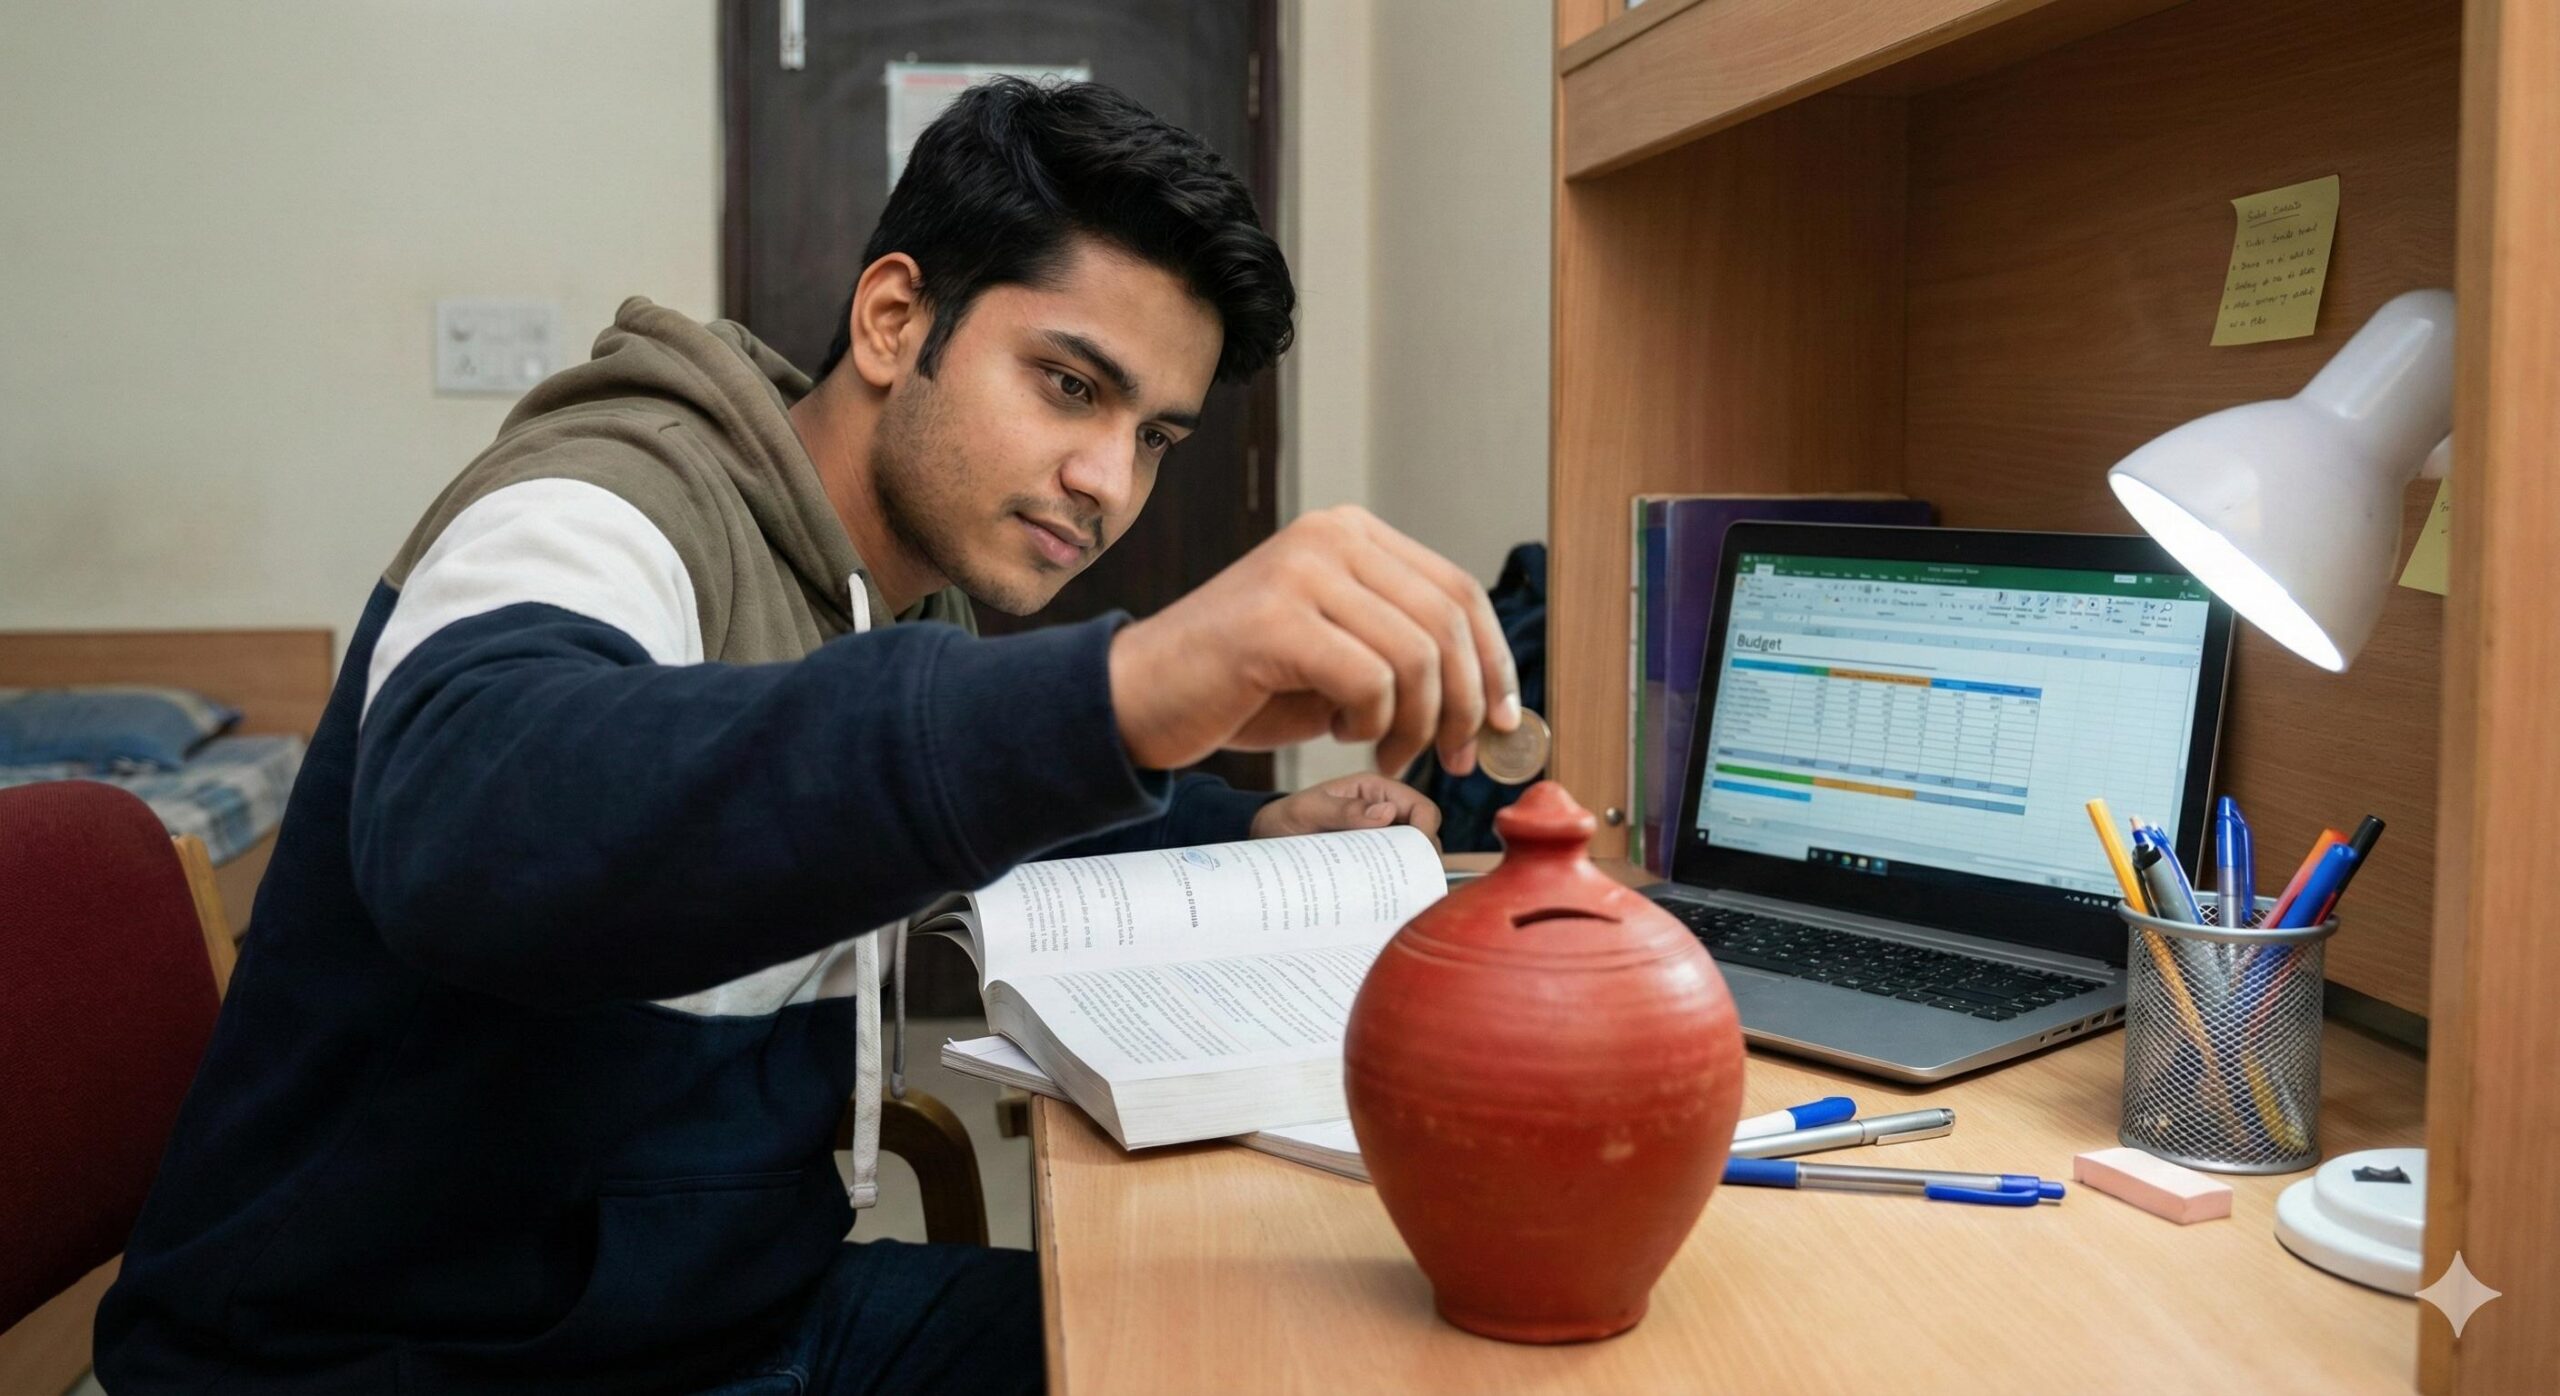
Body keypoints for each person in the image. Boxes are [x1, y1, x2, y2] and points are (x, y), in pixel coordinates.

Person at [95, 78, 1519, 1395]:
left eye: (1156, 437)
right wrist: (1129, 682)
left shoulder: (898, 601)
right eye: (1071, 385)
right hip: (390, 1362)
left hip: (728, 1320)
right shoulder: (601, 503)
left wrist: (1241, 822)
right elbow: (474, 822)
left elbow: (884, 816)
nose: (1105, 483)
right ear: (895, 320)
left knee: (1255, 1347)